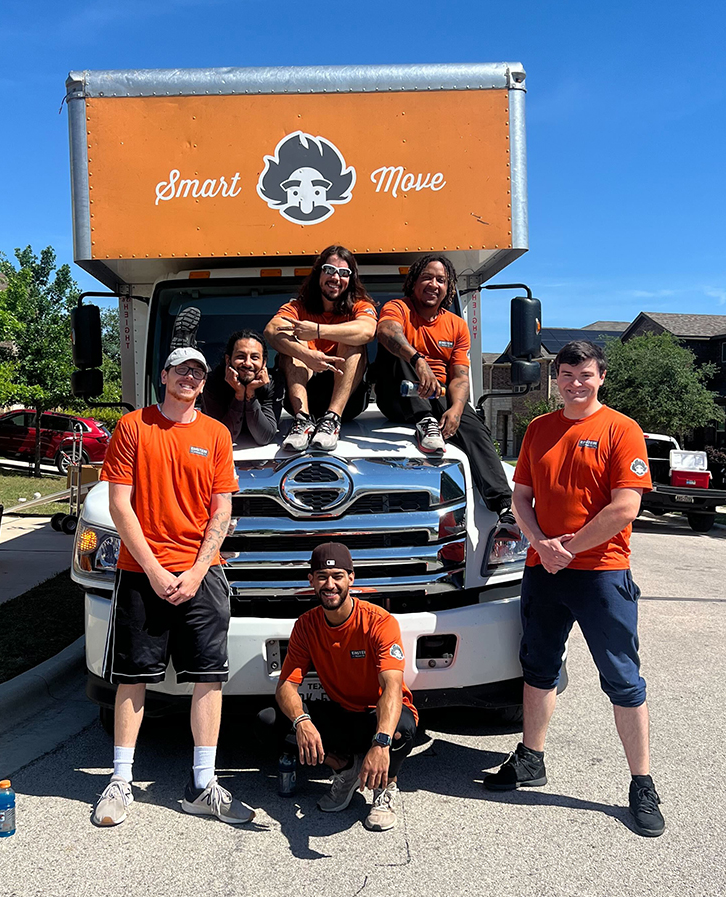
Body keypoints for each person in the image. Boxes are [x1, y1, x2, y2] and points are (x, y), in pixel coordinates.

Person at [483, 340, 665, 837]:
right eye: (566, 374)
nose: (575, 383)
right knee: (537, 668)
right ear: (555, 378)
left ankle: (641, 782)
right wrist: (540, 542)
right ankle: (531, 759)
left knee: (623, 680)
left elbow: (625, 507)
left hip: (602, 572)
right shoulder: (539, 429)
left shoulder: (622, 430)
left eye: (584, 374)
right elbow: (521, 495)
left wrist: (568, 547)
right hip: (544, 571)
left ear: (601, 377)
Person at [92, 345, 256, 827]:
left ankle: (202, 785)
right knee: (132, 677)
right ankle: (121, 780)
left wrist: (196, 572)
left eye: (198, 372)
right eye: (181, 369)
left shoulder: (217, 435)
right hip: (141, 573)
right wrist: (158, 571)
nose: (189, 377)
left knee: (209, 677)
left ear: (206, 383)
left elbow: (221, 510)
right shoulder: (132, 428)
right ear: (163, 376)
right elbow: (120, 506)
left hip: (200, 575)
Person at [275, 543, 419, 832]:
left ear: (351, 578)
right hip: (343, 712)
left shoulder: (379, 621)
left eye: (338, 576)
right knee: (274, 721)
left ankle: (385, 786)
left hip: (377, 715)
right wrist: (302, 721)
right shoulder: (306, 625)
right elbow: (286, 685)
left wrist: (381, 742)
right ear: (311, 581)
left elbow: (392, 686)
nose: (330, 585)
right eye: (322, 577)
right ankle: (344, 769)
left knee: (402, 727)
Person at [375, 254, 513, 516]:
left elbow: (460, 376)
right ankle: (425, 420)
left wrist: (458, 410)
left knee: (476, 430)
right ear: (414, 282)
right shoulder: (398, 308)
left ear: (449, 289)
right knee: (396, 349)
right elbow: (386, 332)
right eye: (427, 277)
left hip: (439, 394)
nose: (433, 284)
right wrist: (417, 359)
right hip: (397, 394)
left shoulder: (457, 325)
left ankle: (503, 506)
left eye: (441, 280)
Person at [264, 245, 377, 452]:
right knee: (292, 345)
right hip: (299, 398)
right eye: (329, 270)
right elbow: (271, 330)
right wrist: (306, 355)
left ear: (351, 280)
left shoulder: (360, 305)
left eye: (344, 273)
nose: (336, 277)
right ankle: (302, 421)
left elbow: (368, 331)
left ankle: (332, 420)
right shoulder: (298, 307)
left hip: (348, 402)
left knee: (353, 342)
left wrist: (317, 330)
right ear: (318, 273)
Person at [201, 329, 284, 446]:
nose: (248, 363)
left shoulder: (272, 383)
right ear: (228, 360)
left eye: (254, 357)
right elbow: (221, 437)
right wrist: (239, 396)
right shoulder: (213, 382)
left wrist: (250, 394)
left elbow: (265, 437)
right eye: (241, 356)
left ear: (264, 363)